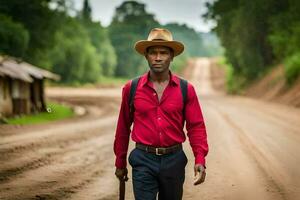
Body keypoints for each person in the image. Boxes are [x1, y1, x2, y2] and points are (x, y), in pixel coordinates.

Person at [114, 28, 208, 200]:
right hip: (143, 160)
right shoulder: (131, 88)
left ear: (172, 57)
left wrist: (200, 159)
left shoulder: (185, 89)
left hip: (174, 161)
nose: (158, 57)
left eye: (163, 53)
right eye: (153, 53)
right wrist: (120, 162)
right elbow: (122, 128)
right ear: (146, 56)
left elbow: (196, 127)